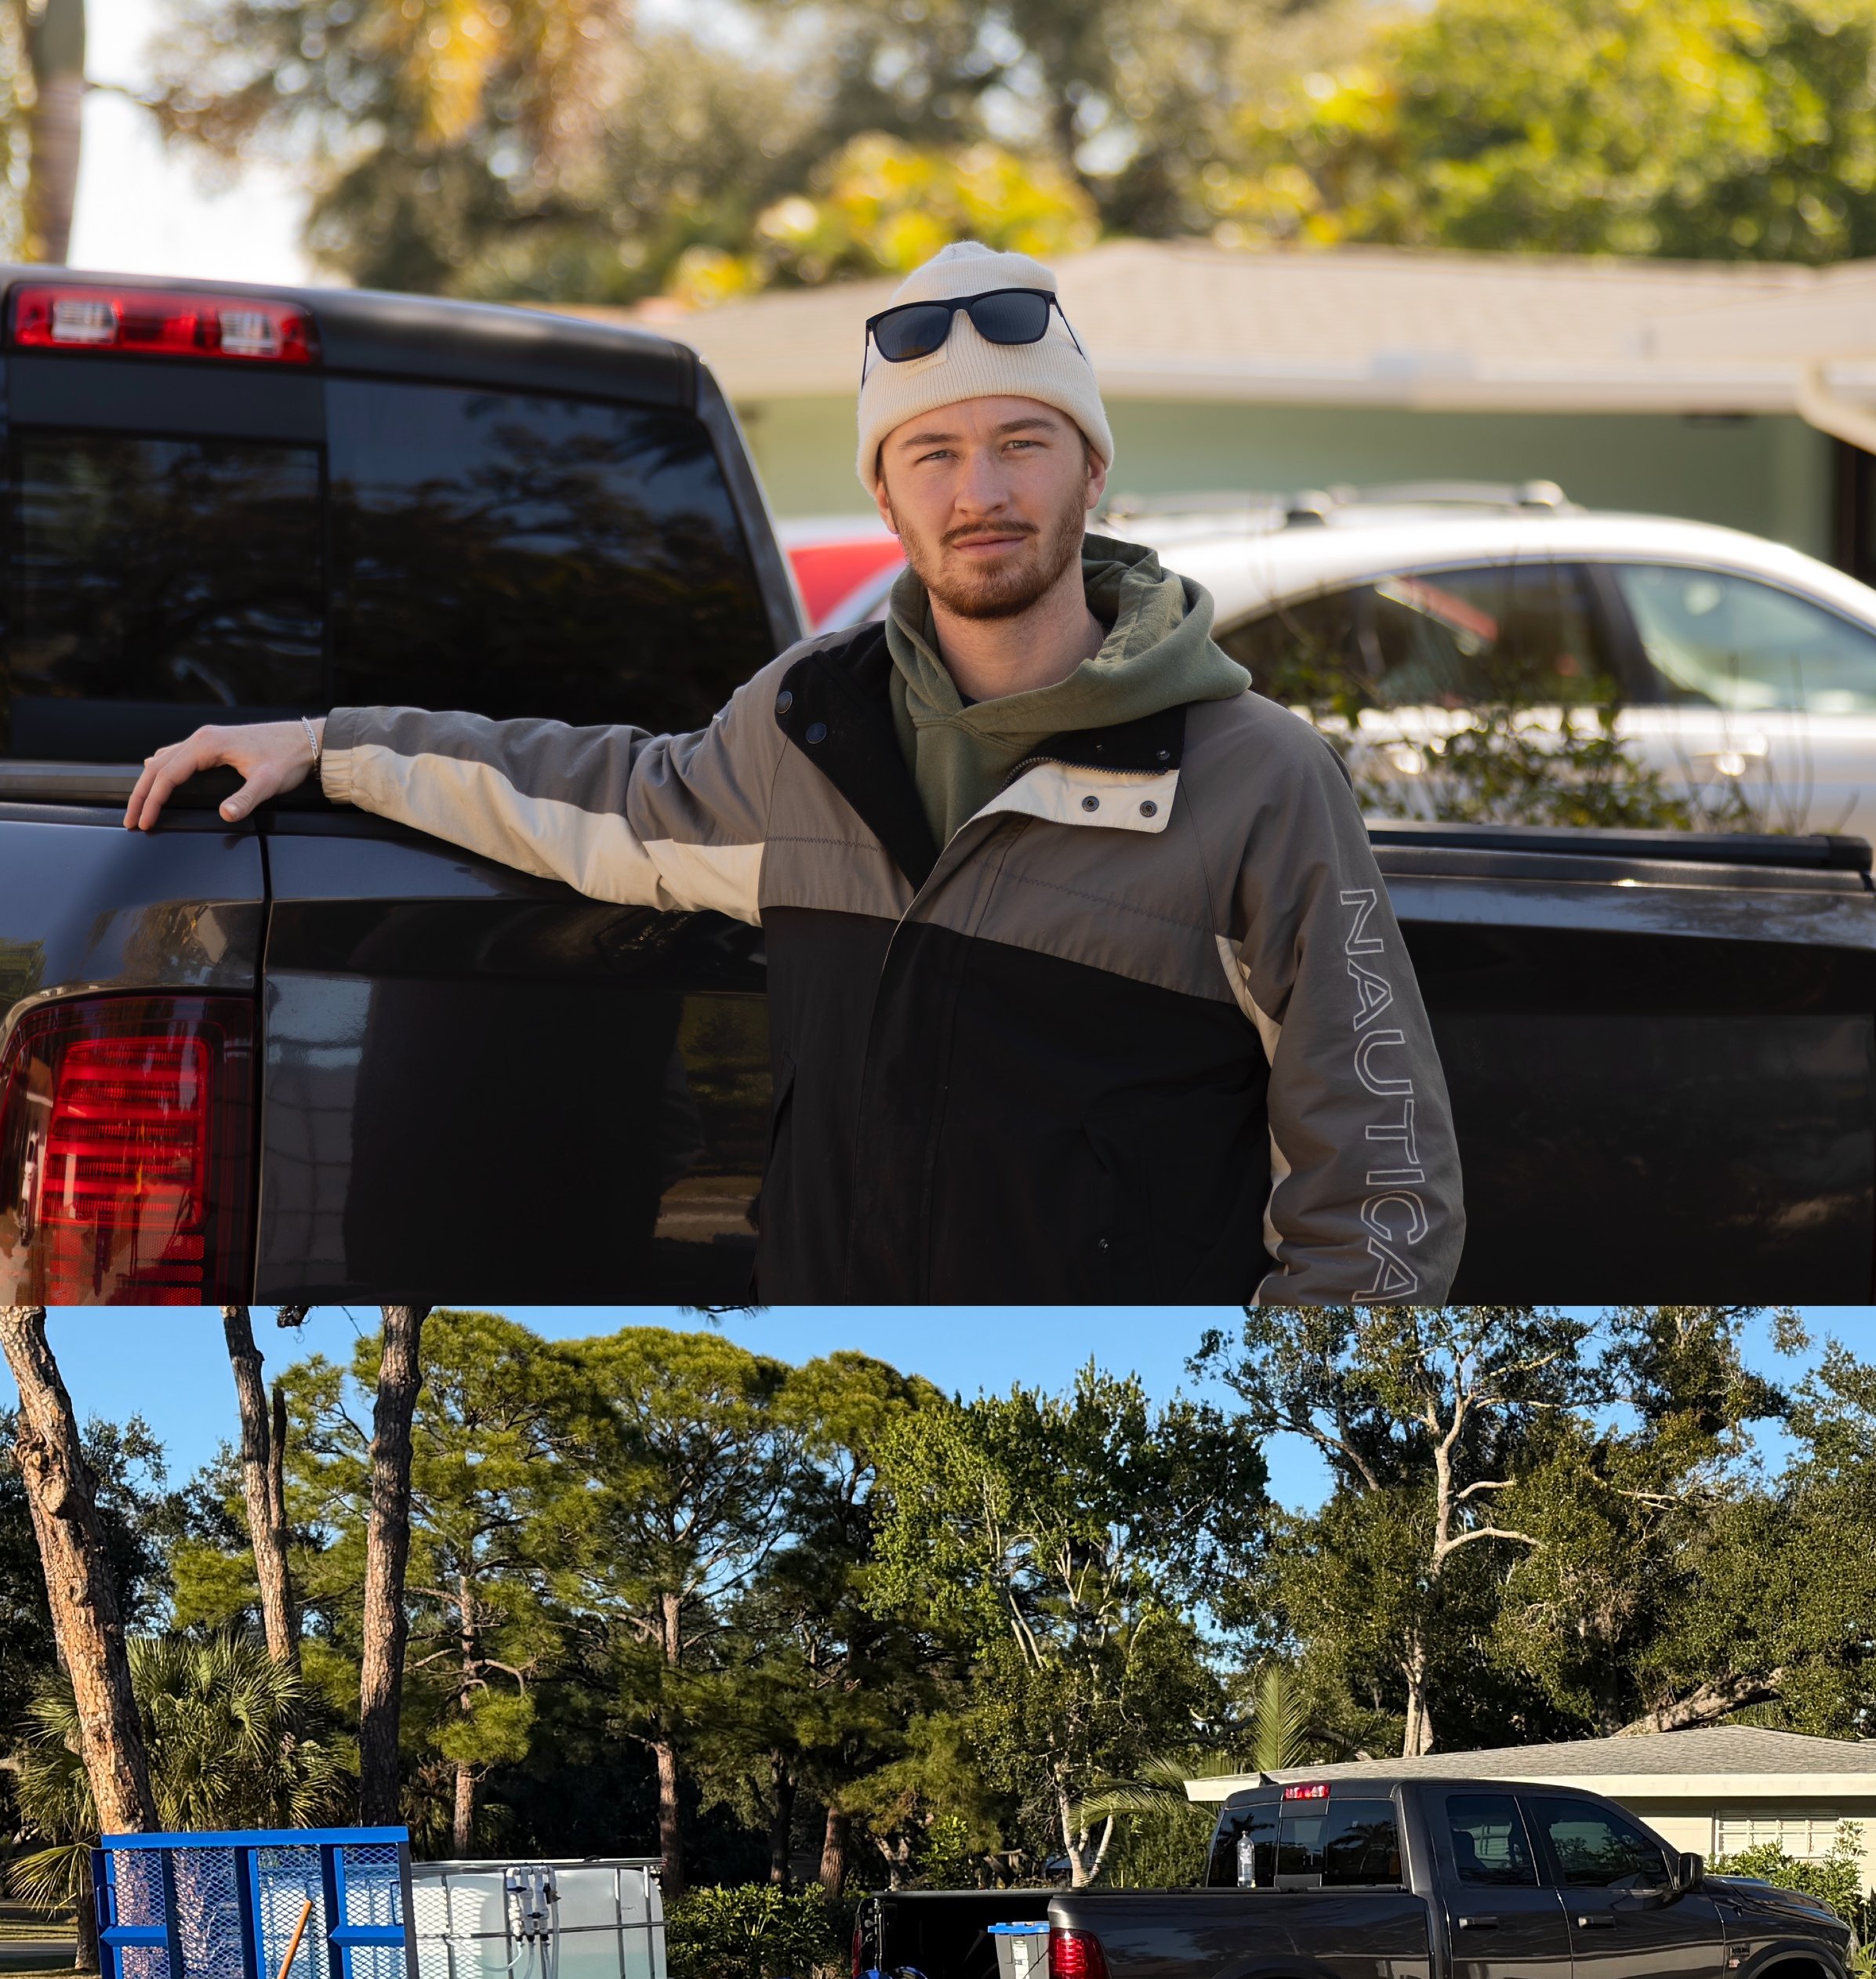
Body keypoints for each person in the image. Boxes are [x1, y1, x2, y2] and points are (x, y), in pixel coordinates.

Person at [125, 241, 1464, 1305]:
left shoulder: (1256, 778)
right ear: (885, 493)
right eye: (931, 452)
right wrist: (327, 746)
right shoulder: (806, 728)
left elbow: (1381, 1185)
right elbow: (600, 796)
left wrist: (1265, 1415)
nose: (977, 489)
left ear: (1093, 467)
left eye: (1023, 441)